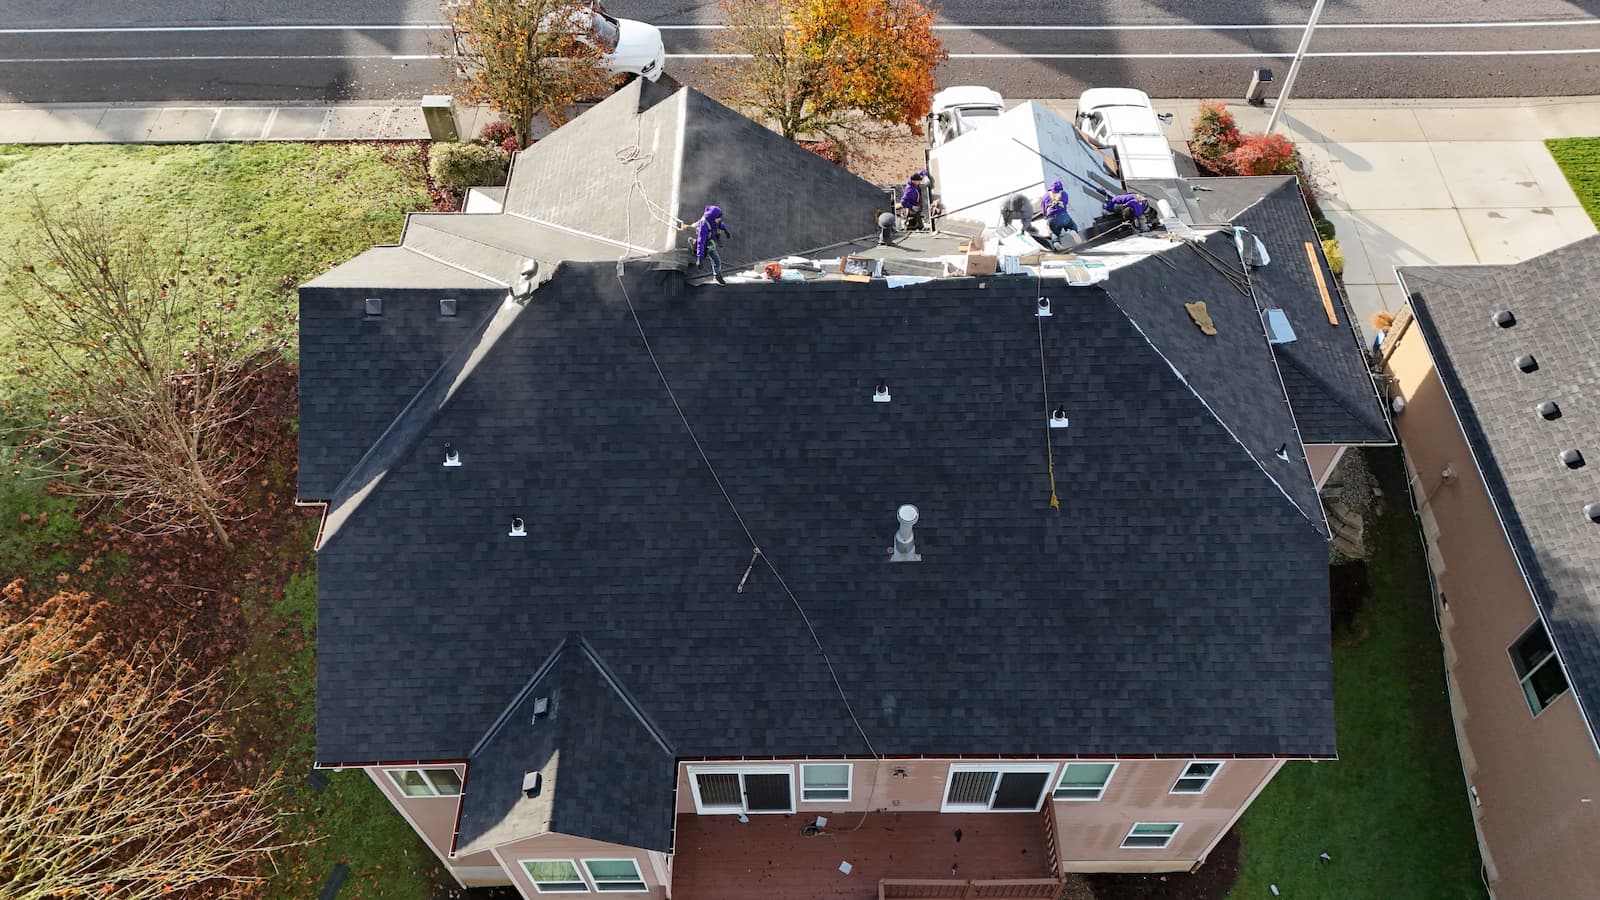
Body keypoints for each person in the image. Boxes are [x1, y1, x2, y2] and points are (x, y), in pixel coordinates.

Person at [679, 205, 731, 284]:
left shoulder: (716, 221)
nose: (719, 219)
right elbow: (701, 242)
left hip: (710, 241)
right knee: (700, 250)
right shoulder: (704, 226)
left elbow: (721, 225)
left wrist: (726, 231)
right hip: (705, 241)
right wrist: (699, 259)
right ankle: (693, 242)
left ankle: (717, 276)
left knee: (716, 261)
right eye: (718, 218)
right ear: (713, 218)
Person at [1039, 179, 1078, 250]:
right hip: (1063, 215)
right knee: (1072, 225)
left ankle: (1056, 242)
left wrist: (1046, 216)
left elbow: (1043, 209)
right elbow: (1065, 204)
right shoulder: (1064, 194)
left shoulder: (1045, 196)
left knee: (1054, 232)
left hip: (1051, 218)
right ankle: (1073, 231)